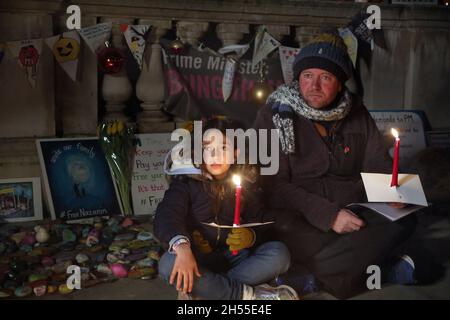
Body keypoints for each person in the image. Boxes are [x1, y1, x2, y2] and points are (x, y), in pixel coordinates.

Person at [253, 32, 427, 299]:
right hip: (298, 212)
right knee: (287, 234)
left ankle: (311, 277)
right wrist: (329, 216)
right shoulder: (273, 114)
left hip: (352, 204)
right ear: (297, 77)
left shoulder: (356, 112)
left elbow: (377, 165)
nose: (314, 86)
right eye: (308, 75)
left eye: (326, 77)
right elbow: (273, 187)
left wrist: (394, 191)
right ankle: (374, 269)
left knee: (406, 220)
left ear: (340, 83)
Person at [155, 117, 298, 300]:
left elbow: (261, 219)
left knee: (280, 254)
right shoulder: (186, 182)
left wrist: (251, 236)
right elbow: (167, 214)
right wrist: (183, 245)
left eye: (223, 148)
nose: (215, 155)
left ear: (235, 153)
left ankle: (208, 290)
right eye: (207, 148)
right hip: (198, 258)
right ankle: (248, 295)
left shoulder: (245, 182)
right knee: (168, 263)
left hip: (236, 258)